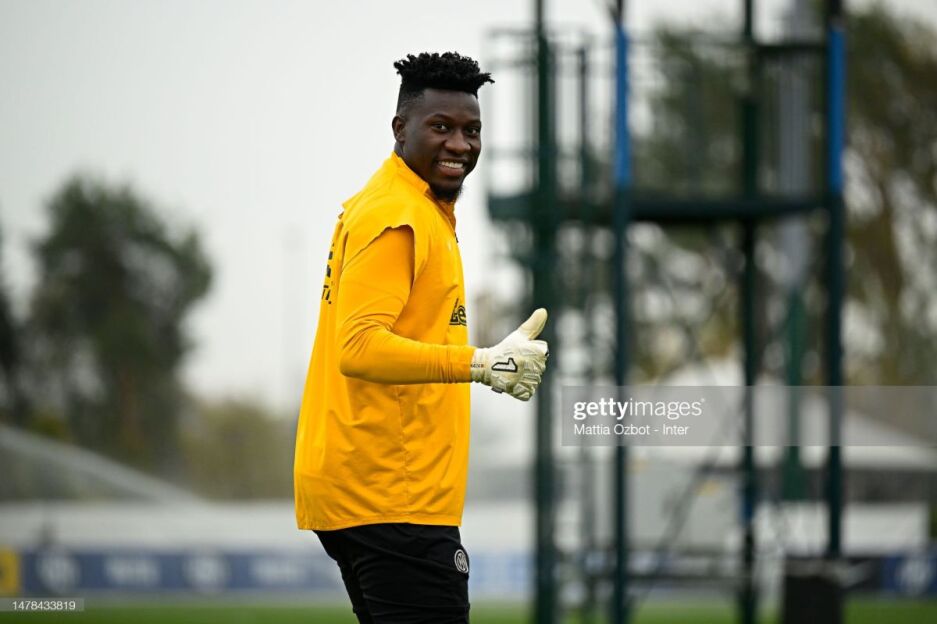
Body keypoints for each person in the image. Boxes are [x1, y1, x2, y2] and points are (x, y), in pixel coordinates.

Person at [293, 51, 550, 623]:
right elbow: (359, 348)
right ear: (400, 128)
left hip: (378, 493)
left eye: (471, 130)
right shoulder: (398, 215)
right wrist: (480, 364)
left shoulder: (409, 207)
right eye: (441, 127)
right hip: (392, 496)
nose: (459, 144)